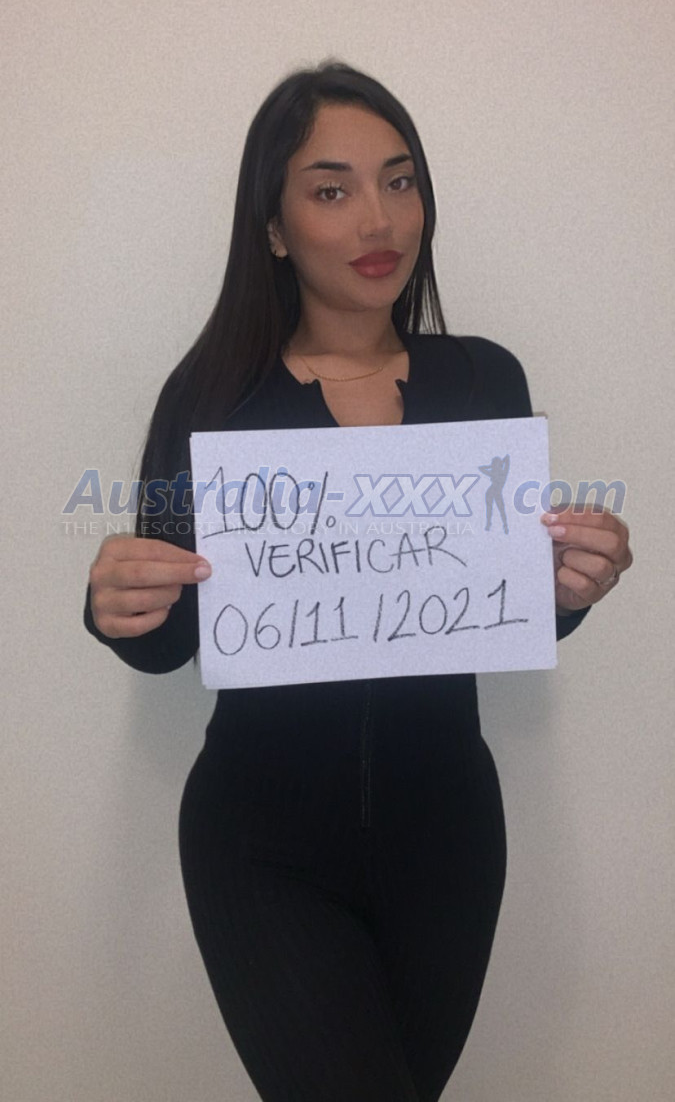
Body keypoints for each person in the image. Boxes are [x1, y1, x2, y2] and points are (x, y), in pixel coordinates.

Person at [83, 60, 632, 1102]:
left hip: (448, 837)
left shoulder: (484, 379)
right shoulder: (211, 398)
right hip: (261, 844)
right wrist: (117, 605)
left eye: (400, 180)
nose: (379, 219)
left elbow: (497, 606)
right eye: (331, 190)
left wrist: (568, 588)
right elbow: (168, 641)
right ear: (274, 228)